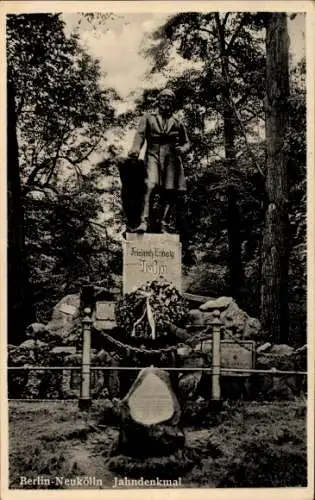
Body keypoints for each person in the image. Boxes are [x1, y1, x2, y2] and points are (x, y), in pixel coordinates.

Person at [128, 89, 190, 233]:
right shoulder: (148, 118)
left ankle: (164, 223)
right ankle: (143, 221)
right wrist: (135, 149)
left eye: (169, 98)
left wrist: (183, 149)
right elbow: (140, 135)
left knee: (169, 191)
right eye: (164, 97)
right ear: (159, 100)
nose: (166, 100)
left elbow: (187, 142)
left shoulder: (177, 121)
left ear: (172, 102)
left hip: (171, 159)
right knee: (150, 185)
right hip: (153, 155)